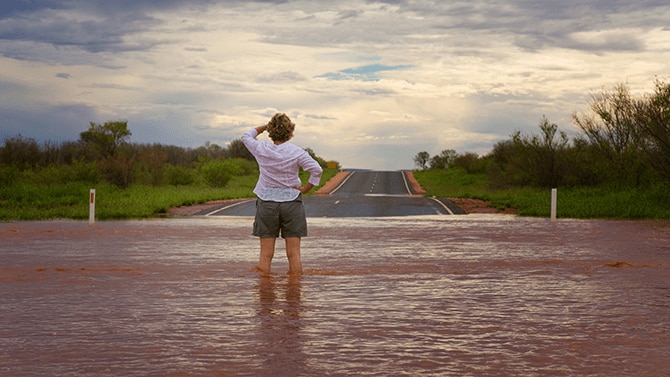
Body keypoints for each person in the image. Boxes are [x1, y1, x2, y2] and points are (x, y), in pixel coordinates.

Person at [241, 113, 323, 275]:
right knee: (294, 255)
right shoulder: (297, 152)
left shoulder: (261, 148)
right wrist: (306, 189)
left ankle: (265, 296)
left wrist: (265, 127)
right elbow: (317, 170)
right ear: (290, 131)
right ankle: (294, 295)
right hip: (292, 202)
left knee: (265, 255)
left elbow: (246, 136)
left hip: (266, 202)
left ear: (271, 131)